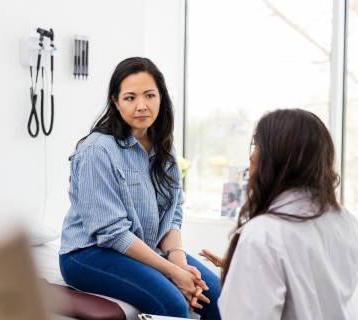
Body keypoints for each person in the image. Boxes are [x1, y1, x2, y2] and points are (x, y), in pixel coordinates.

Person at [59, 57, 221, 319]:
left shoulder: (165, 149)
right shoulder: (96, 152)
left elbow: (172, 214)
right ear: (116, 102)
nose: (141, 106)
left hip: (143, 247)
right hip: (88, 254)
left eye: (149, 95)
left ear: (161, 98)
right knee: (172, 304)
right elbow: (112, 233)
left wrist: (179, 262)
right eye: (130, 97)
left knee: (216, 296)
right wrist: (172, 273)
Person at [200, 108, 358, 319]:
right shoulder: (347, 222)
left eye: (256, 145)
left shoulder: (262, 234)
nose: (251, 155)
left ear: (276, 156)